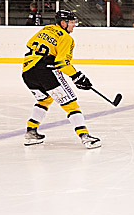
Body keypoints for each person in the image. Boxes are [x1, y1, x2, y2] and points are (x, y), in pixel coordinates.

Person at [21, 10, 100, 149]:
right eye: (72, 22)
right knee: (71, 105)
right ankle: (85, 137)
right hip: (46, 72)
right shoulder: (67, 38)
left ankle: (31, 131)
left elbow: (29, 44)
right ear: (63, 23)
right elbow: (62, 63)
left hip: (27, 72)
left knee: (45, 99)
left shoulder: (46, 29)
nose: (74, 25)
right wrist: (77, 76)